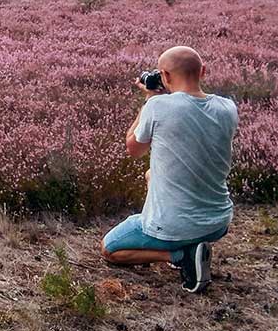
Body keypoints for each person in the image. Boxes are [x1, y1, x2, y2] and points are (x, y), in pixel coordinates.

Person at [100, 46, 238, 294]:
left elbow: (133, 149)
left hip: (175, 226)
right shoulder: (228, 108)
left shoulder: (158, 106)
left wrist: (149, 101)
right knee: (151, 174)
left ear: (164, 75)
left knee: (111, 249)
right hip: (219, 222)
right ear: (203, 71)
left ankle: (179, 255)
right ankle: (194, 244)